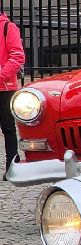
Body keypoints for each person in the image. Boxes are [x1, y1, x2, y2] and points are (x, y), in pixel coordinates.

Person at [0, 10, 26, 176]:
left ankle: (12, 166)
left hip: (6, 87)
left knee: (8, 129)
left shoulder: (8, 27)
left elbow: (17, 56)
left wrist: (1, 74)